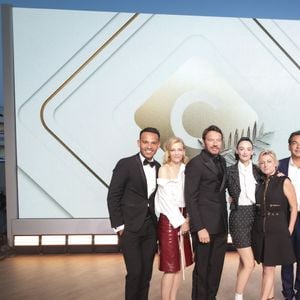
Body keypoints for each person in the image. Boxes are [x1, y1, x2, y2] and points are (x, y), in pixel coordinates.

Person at [107, 127, 161, 300]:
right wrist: (119, 226)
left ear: (158, 145)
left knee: (146, 274)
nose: (149, 146)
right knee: (135, 273)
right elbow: (113, 195)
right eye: (145, 142)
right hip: (130, 228)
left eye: (153, 143)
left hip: (151, 228)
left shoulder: (159, 167)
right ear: (139, 143)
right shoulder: (125, 164)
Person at [184, 125, 228, 300]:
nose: (215, 143)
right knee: (202, 270)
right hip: (204, 227)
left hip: (221, 225)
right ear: (204, 142)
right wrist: (200, 227)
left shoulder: (223, 161)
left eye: (218, 140)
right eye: (211, 140)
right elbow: (191, 198)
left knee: (216, 269)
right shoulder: (195, 164)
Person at [252, 150, 297, 300]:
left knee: (269, 268)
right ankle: (269, 296)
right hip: (262, 231)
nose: (265, 165)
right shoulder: (260, 182)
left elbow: (294, 207)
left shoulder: (284, 181)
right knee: (266, 267)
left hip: (277, 230)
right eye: (262, 162)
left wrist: (289, 229)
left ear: (276, 163)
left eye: (269, 161)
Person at [155, 137, 193, 300]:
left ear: (184, 151)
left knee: (180, 266)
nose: (177, 153)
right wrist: (181, 221)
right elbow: (166, 201)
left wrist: (188, 219)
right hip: (169, 221)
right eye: (173, 149)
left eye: (180, 149)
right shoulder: (164, 169)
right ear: (168, 152)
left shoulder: (187, 169)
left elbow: (191, 196)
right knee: (170, 267)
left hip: (184, 217)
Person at [227, 137, 261, 300]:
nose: (245, 152)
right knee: (249, 263)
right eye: (242, 148)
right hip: (238, 217)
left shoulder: (258, 171)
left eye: (248, 149)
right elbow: (215, 191)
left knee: (243, 261)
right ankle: (238, 297)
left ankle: (237, 294)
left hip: (255, 216)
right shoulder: (229, 171)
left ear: (253, 152)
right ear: (236, 151)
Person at [280, 130, 300, 300]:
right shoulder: (280, 166)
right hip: (286, 216)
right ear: (289, 146)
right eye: (295, 143)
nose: (298, 146)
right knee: (286, 254)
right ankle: (288, 293)